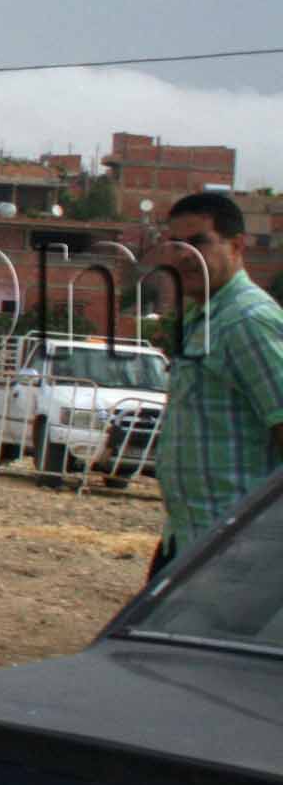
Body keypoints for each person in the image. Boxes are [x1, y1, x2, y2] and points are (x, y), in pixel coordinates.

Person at [148, 192, 283, 578]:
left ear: (237, 245)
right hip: (188, 539)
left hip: (235, 553)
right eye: (176, 245)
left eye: (199, 242)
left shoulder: (246, 320)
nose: (184, 256)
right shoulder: (201, 315)